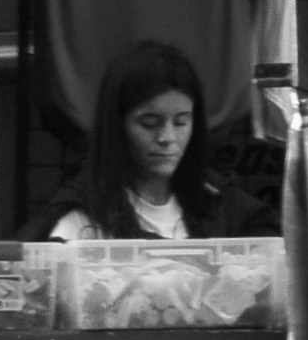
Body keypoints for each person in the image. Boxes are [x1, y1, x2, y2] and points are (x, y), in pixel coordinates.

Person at [42, 38, 224, 240]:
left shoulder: (217, 201)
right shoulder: (82, 220)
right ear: (117, 125)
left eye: (181, 122)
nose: (167, 137)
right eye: (149, 123)